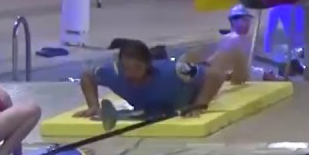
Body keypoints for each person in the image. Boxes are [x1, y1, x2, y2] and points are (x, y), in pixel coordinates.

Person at [75, 39, 226, 119]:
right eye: (126, 68)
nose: (130, 74)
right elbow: (87, 76)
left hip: (190, 87)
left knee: (208, 64)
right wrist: (93, 105)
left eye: (137, 68)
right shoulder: (115, 74)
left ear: (147, 65)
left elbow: (216, 75)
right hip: (157, 105)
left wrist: (199, 104)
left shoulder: (173, 72)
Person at [182, 4, 281, 83]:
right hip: (231, 72)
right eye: (244, 20)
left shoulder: (242, 38)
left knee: (270, 75)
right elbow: (220, 61)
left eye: (248, 20)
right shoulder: (232, 39)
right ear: (233, 22)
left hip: (241, 70)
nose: (248, 24)